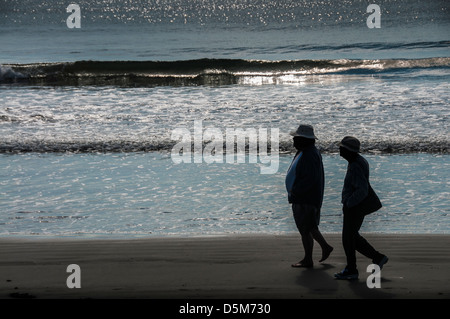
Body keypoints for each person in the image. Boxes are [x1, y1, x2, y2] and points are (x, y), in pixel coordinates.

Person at [334, 136, 388, 280]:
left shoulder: (356, 165)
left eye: (342, 147)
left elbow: (362, 190)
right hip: (357, 206)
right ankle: (377, 257)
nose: (339, 149)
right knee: (352, 237)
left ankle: (352, 269)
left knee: (348, 239)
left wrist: (349, 204)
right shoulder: (357, 161)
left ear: (348, 150)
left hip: (355, 207)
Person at [286, 124, 333, 268]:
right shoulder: (306, 151)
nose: (293, 141)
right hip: (305, 197)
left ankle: (308, 259)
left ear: (304, 140)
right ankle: (325, 247)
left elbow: (309, 179)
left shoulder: (309, 154)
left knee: (305, 229)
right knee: (310, 226)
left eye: (296, 138)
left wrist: (296, 192)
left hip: (305, 198)